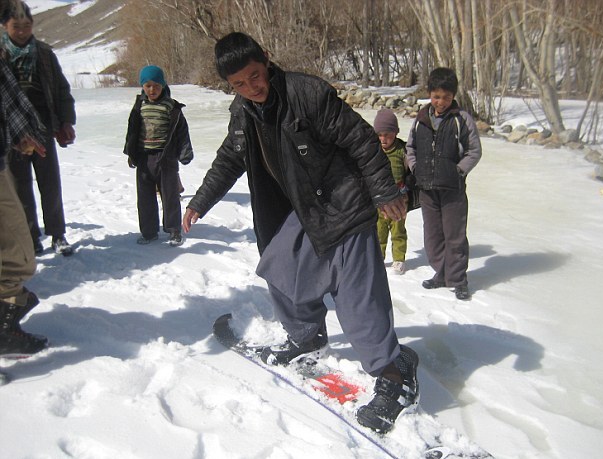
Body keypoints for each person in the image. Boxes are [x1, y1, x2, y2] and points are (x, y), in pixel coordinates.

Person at [184, 32, 419, 434]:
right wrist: (199, 201)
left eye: (255, 76)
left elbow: (362, 140)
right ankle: (306, 338)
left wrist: (384, 192)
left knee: (358, 300)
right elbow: (230, 156)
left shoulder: (307, 94)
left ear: (268, 60)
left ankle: (396, 373)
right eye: (239, 83)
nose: (251, 88)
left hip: (343, 202)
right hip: (304, 209)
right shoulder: (243, 111)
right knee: (281, 268)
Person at [1, 1, 76, 256]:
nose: (22, 31)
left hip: (42, 126)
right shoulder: (1, 55)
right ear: (4, 26)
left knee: (50, 183)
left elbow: (62, 90)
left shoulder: (44, 53)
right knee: (20, 187)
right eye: (15, 26)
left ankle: (58, 234)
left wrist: (65, 122)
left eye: (26, 26)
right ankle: (31, 238)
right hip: (11, 133)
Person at [405, 68, 482, 300]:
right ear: (430, 94)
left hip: (453, 190)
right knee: (433, 237)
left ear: (453, 96)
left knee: (454, 236)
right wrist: (415, 167)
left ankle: (458, 280)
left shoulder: (461, 120)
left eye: (446, 97)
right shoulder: (421, 119)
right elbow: (410, 148)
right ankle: (442, 273)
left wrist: (458, 171)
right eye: (436, 96)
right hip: (427, 189)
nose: (441, 102)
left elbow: (474, 151)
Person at [0, 0, 48, 357]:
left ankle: (6, 326)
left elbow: (5, 93)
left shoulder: (41, 54)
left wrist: (22, 132)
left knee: (17, 253)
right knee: (16, 254)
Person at [124, 65, 193, 246]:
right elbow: (132, 130)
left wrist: (185, 152)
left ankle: (173, 230)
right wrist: (131, 153)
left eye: (156, 85)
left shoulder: (171, 106)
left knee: (170, 196)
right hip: (144, 158)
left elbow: (182, 131)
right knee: (145, 197)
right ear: (142, 87)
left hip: (166, 158)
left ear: (163, 85)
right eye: (147, 86)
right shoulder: (140, 106)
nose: (152, 90)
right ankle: (148, 232)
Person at [373, 109, 409, 275]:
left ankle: (399, 258)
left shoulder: (402, 150)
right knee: (379, 229)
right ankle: (378, 257)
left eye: (387, 135)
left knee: (398, 230)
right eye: (379, 135)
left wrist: (407, 191)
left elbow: (410, 171)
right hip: (379, 200)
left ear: (395, 133)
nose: (383, 139)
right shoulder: (373, 150)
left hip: (399, 199)